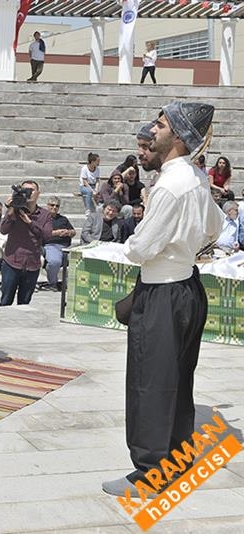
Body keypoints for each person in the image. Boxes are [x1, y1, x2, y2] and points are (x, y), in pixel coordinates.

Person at [102, 101, 223, 498]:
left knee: (150, 383)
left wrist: (133, 244)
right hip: (187, 286)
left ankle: (150, 472)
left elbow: (142, 248)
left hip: (162, 293)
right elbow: (214, 228)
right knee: (177, 381)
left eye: (161, 124)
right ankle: (176, 461)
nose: (153, 130)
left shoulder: (170, 185)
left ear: (178, 136)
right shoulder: (196, 179)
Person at [0, 180, 51, 305]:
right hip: (12, 262)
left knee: (25, 303)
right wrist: (10, 210)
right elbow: (3, 230)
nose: (27, 194)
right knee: (5, 301)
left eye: (31, 190)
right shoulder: (14, 211)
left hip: (32, 264)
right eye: (24, 190)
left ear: (38, 194)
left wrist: (30, 223)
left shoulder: (45, 215)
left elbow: (47, 236)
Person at [42, 197, 75, 291]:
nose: (54, 207)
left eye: (57, 205)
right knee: (54, 262)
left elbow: (73, 232)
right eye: (52, 205)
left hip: (66, 246)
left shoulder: (63, 219)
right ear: (47, 206)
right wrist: (56, 233)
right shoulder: (43, 219)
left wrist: (68, 232)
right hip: (50, 245)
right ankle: (52, 283)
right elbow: (40, 233)